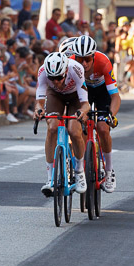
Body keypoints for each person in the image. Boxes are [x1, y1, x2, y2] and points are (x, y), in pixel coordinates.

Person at [34, 51, 90, 196]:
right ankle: (50, 179)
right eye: (53, 78)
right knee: (52, 127)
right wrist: (39, 110)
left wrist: (81, 112)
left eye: (59, 77)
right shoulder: (42, 72)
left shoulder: (76, 69)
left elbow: (85, 104)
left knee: (73, 129)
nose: (57, 82)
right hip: (55, 96)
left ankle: (79, 171)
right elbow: (39, 102)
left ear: (66, 71)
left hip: (75, 97)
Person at [70, 35, 120, 192]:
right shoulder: (71, 62)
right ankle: (82, 164)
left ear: (93, 56)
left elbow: (115, 96)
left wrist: (110, 114)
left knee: (103, 128)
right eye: (80, 59)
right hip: (83, 90)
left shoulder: (103, 62)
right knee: (79, 127)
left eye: (87, 59)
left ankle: (109, 171)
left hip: (101, 91)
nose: (83, 64)